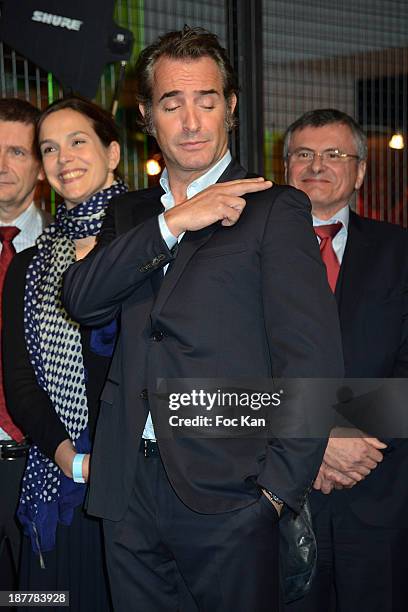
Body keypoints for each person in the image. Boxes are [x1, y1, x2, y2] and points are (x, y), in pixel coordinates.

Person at [62, 27, 344, 612]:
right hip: (127, 492)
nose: (191, 121)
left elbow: (312, 362)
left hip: (233, 494)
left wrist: (275, 493)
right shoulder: (131, 214)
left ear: (230, 108)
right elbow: (84, 301)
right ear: (147, 115)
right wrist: (175, 221)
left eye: (206, 101)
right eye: (172, 103)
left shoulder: (274, 207)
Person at [3, 96, 126, 611]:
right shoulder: (31, 265)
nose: (63, 158)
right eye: (50, 147)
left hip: (142, 483)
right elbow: (22, 382)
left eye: (78, 142)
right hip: (57, 478)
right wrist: (72, 461)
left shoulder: (156, 239)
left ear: (112, 153)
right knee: (45, 603)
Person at [284, 108, 408, 612]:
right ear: (285, 167)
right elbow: (241, 360)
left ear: (359, 172)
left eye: (334, 154)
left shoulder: (400, 251)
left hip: (381, 489)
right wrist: (317, 442)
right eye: (303, 154)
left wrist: (350, 433)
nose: (317, 165)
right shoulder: (245, 254)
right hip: (283, 495)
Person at [0, 98, 51, 603]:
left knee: (40, 599)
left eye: (16, 151)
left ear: (39, 165)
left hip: (42, 466)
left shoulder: (75, 250)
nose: (1, 165)